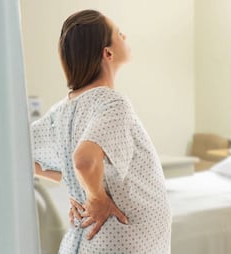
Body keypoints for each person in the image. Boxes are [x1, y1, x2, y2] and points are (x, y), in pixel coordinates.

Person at [32, 9, 171, 254]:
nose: (125, 36)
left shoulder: (62, 110)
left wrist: (83, 187)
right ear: (108, 53)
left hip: (91, 237)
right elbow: (84, 161)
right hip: (122, 237)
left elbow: (24, 156)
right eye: (119, 33)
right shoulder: (112, 103)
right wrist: (96, 198)